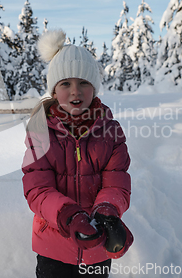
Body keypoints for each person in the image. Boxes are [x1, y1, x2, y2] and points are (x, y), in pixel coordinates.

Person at [22, 29, 133, 278]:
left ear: (94, 89)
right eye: (66, 84)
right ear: (54, 91)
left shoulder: (110, 131)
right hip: (54, 245)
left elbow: (117, 181)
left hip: (97, 247)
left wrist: (108, 210)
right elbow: (36, 189)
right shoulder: (41, 131)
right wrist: (67, 215)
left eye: (84, 82)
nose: (75, 91)